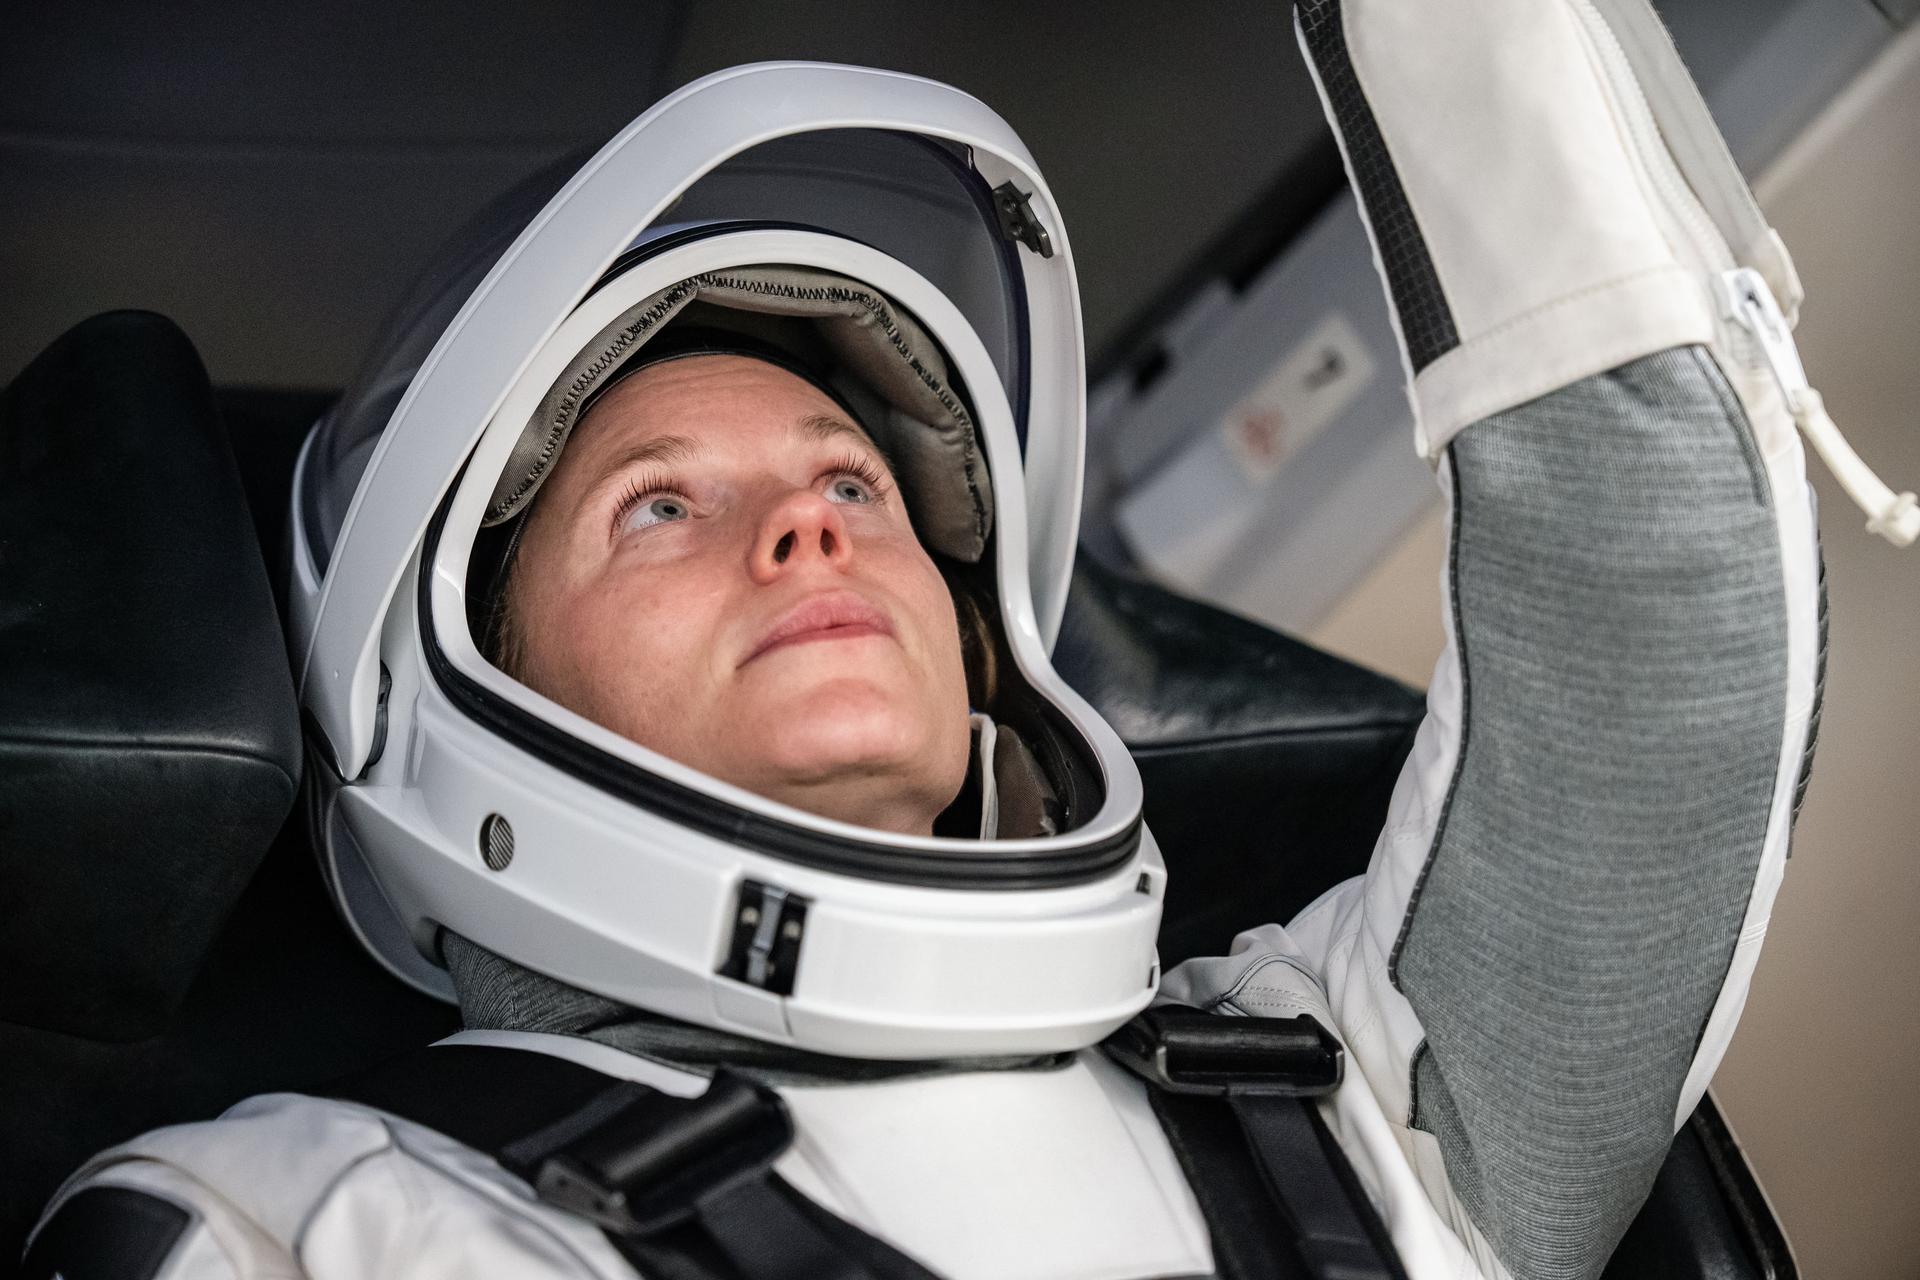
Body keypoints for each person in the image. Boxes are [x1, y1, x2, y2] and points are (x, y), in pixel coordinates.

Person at [30, 3, 1881, 1273]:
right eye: (657, 505)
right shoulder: (303, 1223)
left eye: (855, 479)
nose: (813, 522)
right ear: (471, 692)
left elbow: (1658, 602)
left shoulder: (1364, 1115)